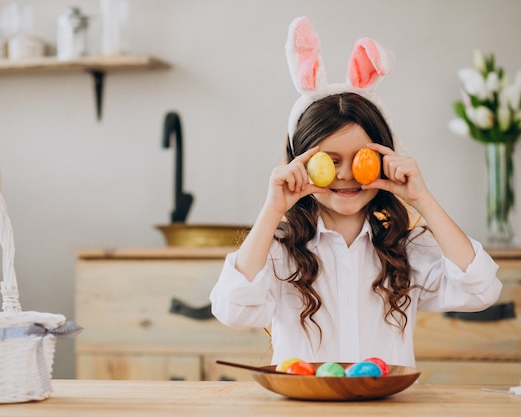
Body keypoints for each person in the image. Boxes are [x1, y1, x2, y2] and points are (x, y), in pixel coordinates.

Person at [209, 17, 502, 369]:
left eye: (361, 159)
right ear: (299, 163)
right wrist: (272, 212)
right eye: (329, 162)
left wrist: (422, 198)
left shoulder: (404, 249)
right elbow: (232, 310)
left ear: (384, 158)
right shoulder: (279, 252)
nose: (346, 174)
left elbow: (481, 289)